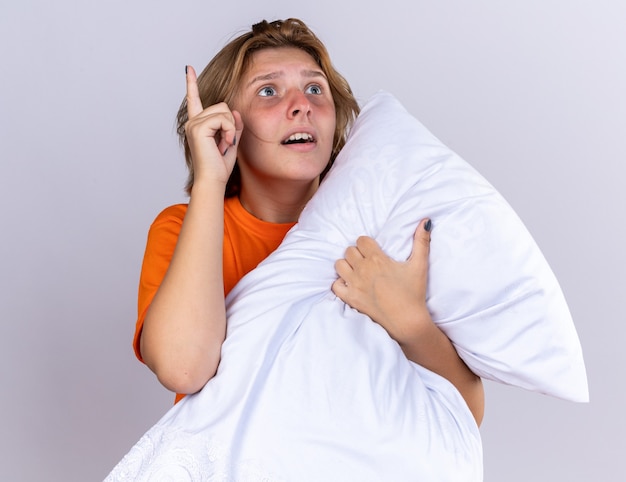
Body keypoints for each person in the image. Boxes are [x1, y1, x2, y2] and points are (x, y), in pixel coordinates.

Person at [133, 18, 484, 425]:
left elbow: (466, 415)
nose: (302, 105)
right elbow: (184, 368)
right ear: (226, 124)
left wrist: (410, 321)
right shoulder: (180, 229)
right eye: (268, 91)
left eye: (315, 89)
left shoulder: (385, 230)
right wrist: (211, 178)